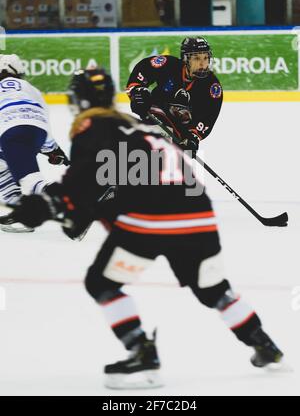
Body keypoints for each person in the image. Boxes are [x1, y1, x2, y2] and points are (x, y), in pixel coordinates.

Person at [9, 69, 283, 389]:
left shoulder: (93, 125)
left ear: (80, 101)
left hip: (152, 218)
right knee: (213, 288)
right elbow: (112, 183)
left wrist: (42, 206)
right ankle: (263, 343)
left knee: (102, 283)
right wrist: (73, 210)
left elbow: (83, 183)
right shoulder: (138, 126)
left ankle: (141, 352)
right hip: (199, 215)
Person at [0, 53, 69, 232]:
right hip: (35, 132)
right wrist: (52, 150)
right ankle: (19, 209)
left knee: (30, 180)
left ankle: (74, 205)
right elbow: (41, 119)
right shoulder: (30, 88)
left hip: (10, 134)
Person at [126, 36, 223, 155]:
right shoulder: (169, 65)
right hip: (157, 115)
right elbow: (143, 69)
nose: (203, 63)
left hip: (181, 130)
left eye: (206, 58)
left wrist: (193, 138)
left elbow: (208, 116)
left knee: (174, 164)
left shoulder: (211, 86)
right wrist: (137, 92)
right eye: (197, 58)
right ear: (186, 59)